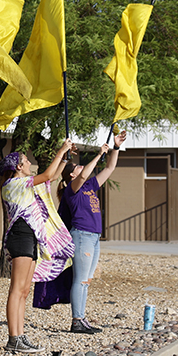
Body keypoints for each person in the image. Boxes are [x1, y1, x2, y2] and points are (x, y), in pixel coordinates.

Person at [0, 139, 75, 353]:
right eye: (26, 160)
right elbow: (48, 175)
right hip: (20, 236)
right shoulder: (14, 185)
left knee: (24, 290)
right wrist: (61, 150)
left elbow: (53, 176)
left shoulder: (26, 183)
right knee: (17, 289)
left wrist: (65, 158)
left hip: (30, 237)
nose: (30, 162)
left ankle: (20, 335)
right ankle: (13, 338)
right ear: (18, 167)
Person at [58, 130, 127, 334]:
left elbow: (110, 167)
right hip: (81, 236)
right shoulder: (73, 187)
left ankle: (82, 318)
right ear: (72, 174)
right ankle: (76, 320)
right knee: (80, 279)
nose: (81, 166)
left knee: (86, 280)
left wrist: (115, 147)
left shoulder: (89, 186)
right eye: (77, 166)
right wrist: (98, 154)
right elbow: (86, 172)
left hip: (94, 238)